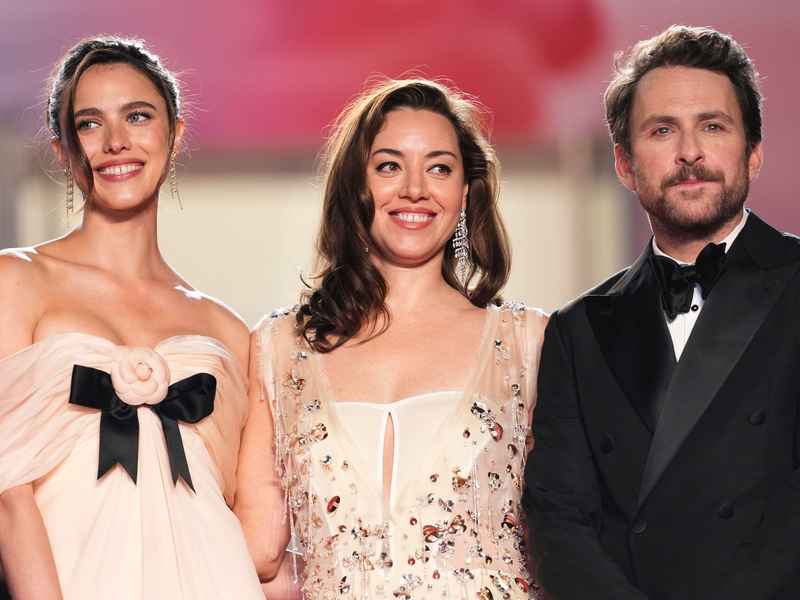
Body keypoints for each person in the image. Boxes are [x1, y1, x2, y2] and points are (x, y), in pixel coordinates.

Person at [234, 78, 547, 599]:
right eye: (389, 166)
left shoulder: (528, 343)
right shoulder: (279, 347)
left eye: (440, 168)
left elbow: (560, 538)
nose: (415, 189)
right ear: (355, 185)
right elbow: (261, 556)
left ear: (466, 192)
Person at [524, 24, 800, 599]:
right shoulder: (579, 331)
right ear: (625, 166)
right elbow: (557, 516)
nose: (690, 152)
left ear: (753, 155)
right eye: (662, 130)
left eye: (713, 126)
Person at [0, 37, 263, 599]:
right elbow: (7, 493)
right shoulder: (16, 281)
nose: (117, 141)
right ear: (63, 151)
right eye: (90, 124)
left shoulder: (227, 330)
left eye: (137, 116)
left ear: (175, 133)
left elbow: (246, 511)